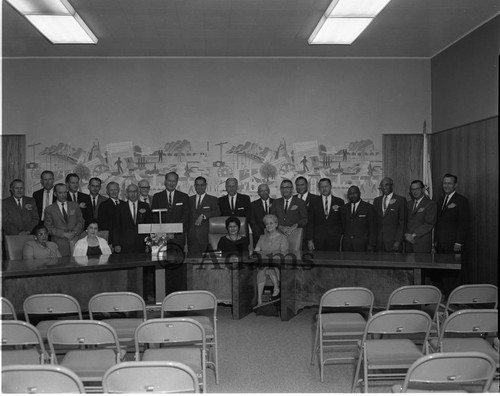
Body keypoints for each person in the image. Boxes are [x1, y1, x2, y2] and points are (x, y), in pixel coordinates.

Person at [254, 214, 288, 306]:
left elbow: (283, 255)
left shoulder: (283, 238)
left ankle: (263, 298)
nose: (269, 226)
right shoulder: (262, 237)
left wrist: (268, 256)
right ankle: (261, 299)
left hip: (279, 266)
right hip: (264, 264)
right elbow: (256, 252)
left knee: (267, 267)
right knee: (264, 269)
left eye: (271, 223)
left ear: (276, 224)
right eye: (267, 224)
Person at [151, 172, 190, 252]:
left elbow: (185, 216)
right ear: (165, 181)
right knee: (161, 262)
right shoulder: (157, 197)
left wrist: (174, 231)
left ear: (177, 182)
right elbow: (155, 217)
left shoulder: (184, 197)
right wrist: (166, 232)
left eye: (174, 181)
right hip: (161, 236)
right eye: (169, 181)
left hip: (178, 236)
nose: (171, 183)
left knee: (179, 262)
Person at [44, 183, 85, 256]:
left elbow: (81, 221)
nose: (63, 195)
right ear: (55, 194)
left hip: (75, 241)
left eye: (65, 192)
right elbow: (48, 227)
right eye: (60, 193)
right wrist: (64, 234)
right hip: (59, 244)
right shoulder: (49, 209)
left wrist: (74, 232)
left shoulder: (75, 205)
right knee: (62, 265)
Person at [435, 174, 470, 254]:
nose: (446, 186)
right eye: (444, 183)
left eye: (449, 183)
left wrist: (458, 242)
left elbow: (464, 223)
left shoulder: (462, 200)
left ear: (455, 185)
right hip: (440, 244)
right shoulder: (440, 201)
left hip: (454, 244)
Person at [112, 184, 152, 254]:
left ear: (138, 192)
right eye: (130, 191)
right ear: (127, 193)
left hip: (141, 244)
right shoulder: (119, 207)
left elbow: (149, 226)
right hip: (124, 245)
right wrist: (116, 244)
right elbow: (115, 227)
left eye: (135, 191)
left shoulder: (145, 206)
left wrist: (148, 244)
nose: (133, 194)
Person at [306, 178, 344, 251]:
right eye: (322, 187)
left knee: (334, 261)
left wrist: (339, 236)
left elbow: (341, 221)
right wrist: (310, 240)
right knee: (318, 261)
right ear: (319, 188)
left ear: (330, 186)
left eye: (326, 186)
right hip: (318, 239)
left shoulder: (339, 201)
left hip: (334, 239)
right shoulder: (313, 202)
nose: (324, 189)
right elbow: (310, 222)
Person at [187, 176, 221, 255]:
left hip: (206, 237)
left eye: (202, 185)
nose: (200, 187)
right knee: (193, 262)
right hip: (192, 237)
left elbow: (217, 212)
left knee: (206, 264)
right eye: (197, 185)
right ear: (194, 186)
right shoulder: (189, 200)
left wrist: (203, 215)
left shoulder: (213, 199)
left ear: (206, 185)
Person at [373, 177, 407, 252]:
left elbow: (402, 222)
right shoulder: (377, 201)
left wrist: (398, 241)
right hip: (379, 242)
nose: (384, 187)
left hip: (393, 242)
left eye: (386, 185)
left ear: (392, 186)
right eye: (382, 185)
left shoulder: (400, 200)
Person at [340, 186, 376, 252]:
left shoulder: (368, 208)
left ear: (359, 193)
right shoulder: (344, 208)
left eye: (354, 193)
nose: (352, 195)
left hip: (363, 245)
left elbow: (372, 228)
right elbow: (343, 226)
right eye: (350, 194)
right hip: (347, 245)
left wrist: (371, 244)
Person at [404, 180, 437, 253]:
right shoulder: (408, 204)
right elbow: (404, 221)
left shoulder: (430, 204)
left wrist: (413, 235)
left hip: (422, 243)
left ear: (423, 189)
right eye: (412, 189)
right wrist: (406, 235)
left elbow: (429, 224)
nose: (414, 192)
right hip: (408, 243)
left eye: (417, 189)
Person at [250, 183, 274, 247]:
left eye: (266, 190)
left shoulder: (276, 202)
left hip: (274, 235)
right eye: (261, 191)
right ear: (258, 193)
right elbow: (252, 221)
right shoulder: (253, 205)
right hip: (259, 236)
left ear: (269, 191)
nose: (264, 193)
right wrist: (260, 234)